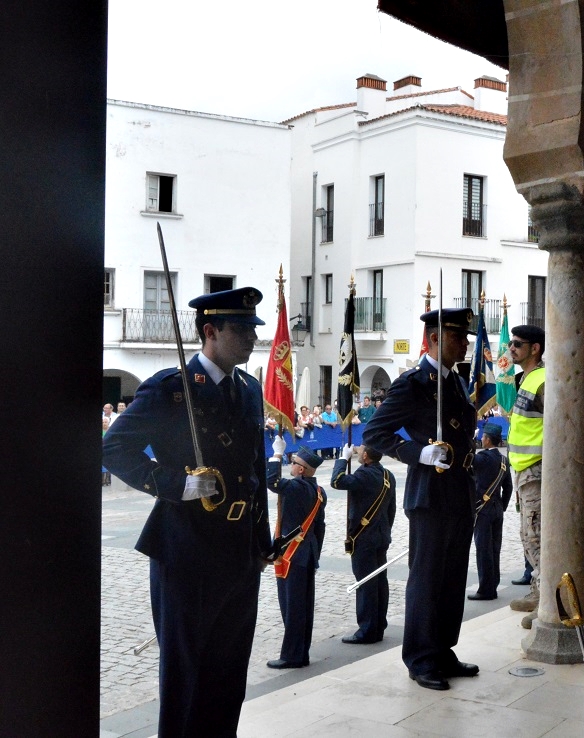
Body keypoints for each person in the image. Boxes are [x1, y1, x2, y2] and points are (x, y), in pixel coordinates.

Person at [101, 286, 273, 738]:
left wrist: (262, 542)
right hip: (188, 549)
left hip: (239, 552)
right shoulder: (171, 390)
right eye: (240, 329)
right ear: (210, 331)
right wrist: (176, 484)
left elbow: (255, 469)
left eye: (253, 329)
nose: (251, 338)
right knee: (188, 675)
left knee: (229, 672)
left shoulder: (250, 389)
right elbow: (113, 448)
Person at [364, 307, 480, 691]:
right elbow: (375, 433)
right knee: (427, 580)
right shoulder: (414, 383)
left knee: (452, 577)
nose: (465, 343)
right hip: (430, 494)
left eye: (465, 337)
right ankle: (420, 657)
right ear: (433, 339)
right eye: (458, 337)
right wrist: (418, 453)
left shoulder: (456, 381)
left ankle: (443, 649)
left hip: (460, 490)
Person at [331, 433, 397, 644]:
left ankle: (367, 630)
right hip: (381, 536)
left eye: (360, 449)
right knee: (379, 582)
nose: (358, 451)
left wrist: (342, 459)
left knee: (366, 583)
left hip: (364, 538)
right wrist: (384, 530)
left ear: (367, 456)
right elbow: (391, 510)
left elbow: (337, 481)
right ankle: (378, 624)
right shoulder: (388, 475)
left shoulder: (364, 475)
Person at [265, 443, 326, 669]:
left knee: (292, 608)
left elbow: (271, 481)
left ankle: (292, 656)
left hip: (292, 557)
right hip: (306, 555)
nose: (290, 466)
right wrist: (314, 554)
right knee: (303, 608)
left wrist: (276, 454)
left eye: (293, 463)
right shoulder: (319, 491)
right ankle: (301, 652)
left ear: (302, 470)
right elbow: (320, 527)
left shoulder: (297, 488)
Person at [505, 323, 545, 627]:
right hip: (522, 469)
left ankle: (547, 602)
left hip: (537, 468)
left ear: (535, 348)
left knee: (536, 534)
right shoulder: (527, 379)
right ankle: (537, 591)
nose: (511, 348)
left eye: (517, 344)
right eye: (510, 343)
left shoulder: (543, 380)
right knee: (526, 534)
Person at [468, 423, 513, 601]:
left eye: (483, 437)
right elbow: (508, 487)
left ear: (486, 440)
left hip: (482, 510)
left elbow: (468, 463)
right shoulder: (503, 460)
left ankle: (486, 589)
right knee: (495, 548)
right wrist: (502, 506)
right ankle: (493, 583)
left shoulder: (482, 458)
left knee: (483, 550)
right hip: (497, 509)